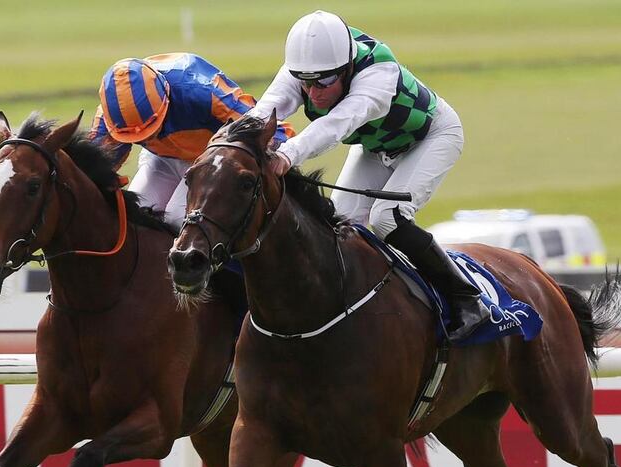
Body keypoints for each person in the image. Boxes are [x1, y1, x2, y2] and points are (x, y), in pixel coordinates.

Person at [249, 11, 489, 341]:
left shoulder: (379, 74)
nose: (314, 93)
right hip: (376, 146)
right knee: (342, 225)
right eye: (306, 82)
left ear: (347, 69)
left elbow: (336, 125)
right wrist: (237, 140)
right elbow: (268, 108)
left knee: (387, 219)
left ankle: (466, 297)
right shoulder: (309, 66)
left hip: (431, 136)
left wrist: (288, 154)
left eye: (324, 83)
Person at [90, 53, 293, 228]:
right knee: (136, 217)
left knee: (178, 218)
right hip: (161, 159)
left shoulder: (203, 90)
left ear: (166, 97)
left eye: (152, 127)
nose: (149, 137)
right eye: (137, 137)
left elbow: (268, 127)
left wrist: (285, 154)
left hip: (212, 161)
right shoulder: (111, 118)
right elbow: (94, 178)